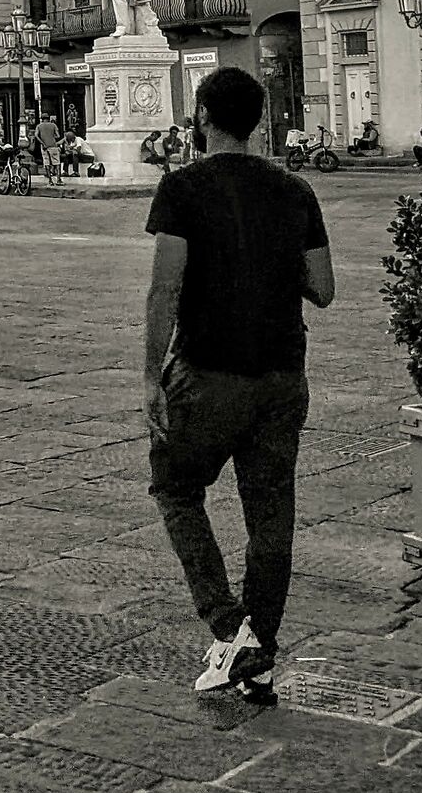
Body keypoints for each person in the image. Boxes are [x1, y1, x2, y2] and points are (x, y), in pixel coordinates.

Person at [142, 66, 335, 700]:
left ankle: (230, 629)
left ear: (202, 116)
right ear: (256, 121)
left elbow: (165, 289)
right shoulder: (295, 190)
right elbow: (323, 289)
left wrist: (150, 377)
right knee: (271, 514)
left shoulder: (183, 187)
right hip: (282, 374)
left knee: (176, 489)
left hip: (208, 372)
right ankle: (262, 650)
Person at [33, 111, 63, 182]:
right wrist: (52, 136)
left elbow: (36, 135)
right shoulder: (53, 125)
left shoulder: (39, 126)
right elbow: (58, 135)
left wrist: (42, 142)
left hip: (44, 146)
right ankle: (58, 179)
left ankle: (50, 180)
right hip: (53, 145)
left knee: (46, 162)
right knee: (57, 162)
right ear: (48, 118)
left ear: (42, 119)